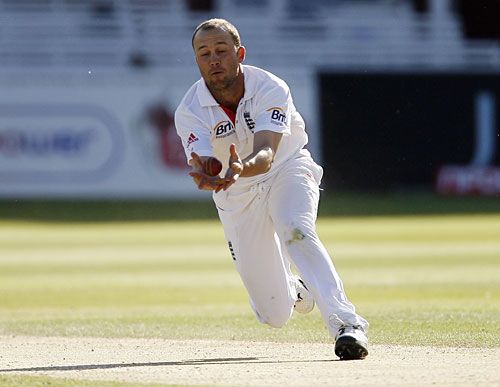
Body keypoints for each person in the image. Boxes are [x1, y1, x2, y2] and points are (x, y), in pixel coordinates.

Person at [175, 18, 369, 360]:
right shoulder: (189, 109)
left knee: (296, 231)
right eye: (204, 53)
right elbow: (202, 159)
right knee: (274, 315)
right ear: (196, 61)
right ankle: (297, 290)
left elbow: (266, 153)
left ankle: (346, 324)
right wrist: (206, 171)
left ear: (240, 53)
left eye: (221, 50)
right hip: (234, 193)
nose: (214, 59)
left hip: (286, 169)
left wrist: (238, 167)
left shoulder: (269, 87)